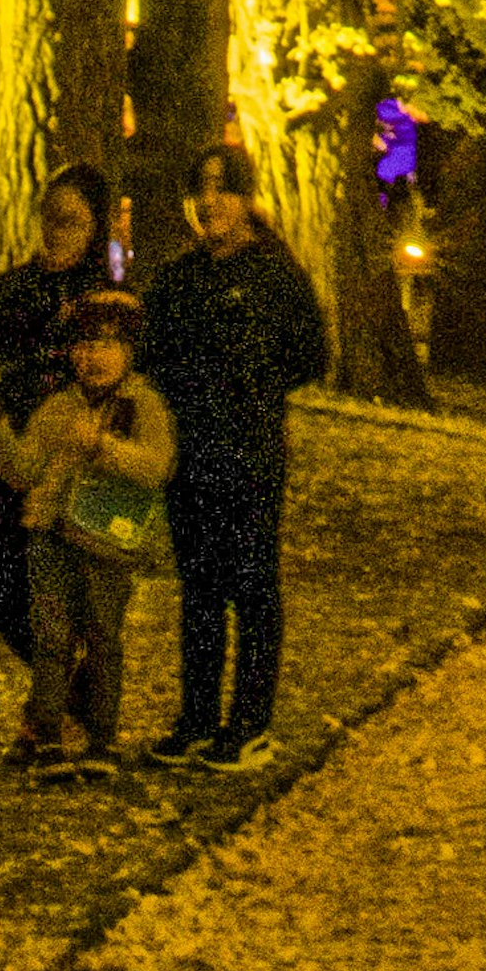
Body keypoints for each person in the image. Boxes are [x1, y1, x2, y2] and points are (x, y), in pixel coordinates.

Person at [141, 141, 328, 775]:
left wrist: (252, 388)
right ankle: (196, 718)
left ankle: (250, 721)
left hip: (248, 451)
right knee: (197, 589)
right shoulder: (179, 277)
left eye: (223, 187)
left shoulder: (275, 275)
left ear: (246, 196)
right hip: (188, 451)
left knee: (250, 585)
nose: (210, 200)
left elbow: (309, 355)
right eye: (201, 188)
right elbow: (152, 353)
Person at [0, 283, 173, 776]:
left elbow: (157, 465)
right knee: (51, 637)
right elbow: (26, 471)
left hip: (106, 540)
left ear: (128, 353)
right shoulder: (58, 407)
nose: (93, 357)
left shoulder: (143, 407)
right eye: (83, 346)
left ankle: (101, 738)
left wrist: (105, 447)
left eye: (106, 346)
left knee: (103, 636)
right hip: (51, 535)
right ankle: (45, 732)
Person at [0, 164, 113, 688]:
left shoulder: (104, 302)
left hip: (74, 469)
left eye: (71, 220)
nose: (57, 230)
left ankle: (68, 711)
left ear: (94, 227)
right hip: (9, 460)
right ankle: (65, 705)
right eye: (51, 217)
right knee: (8, 602)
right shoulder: (7, 291)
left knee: (69, 603)